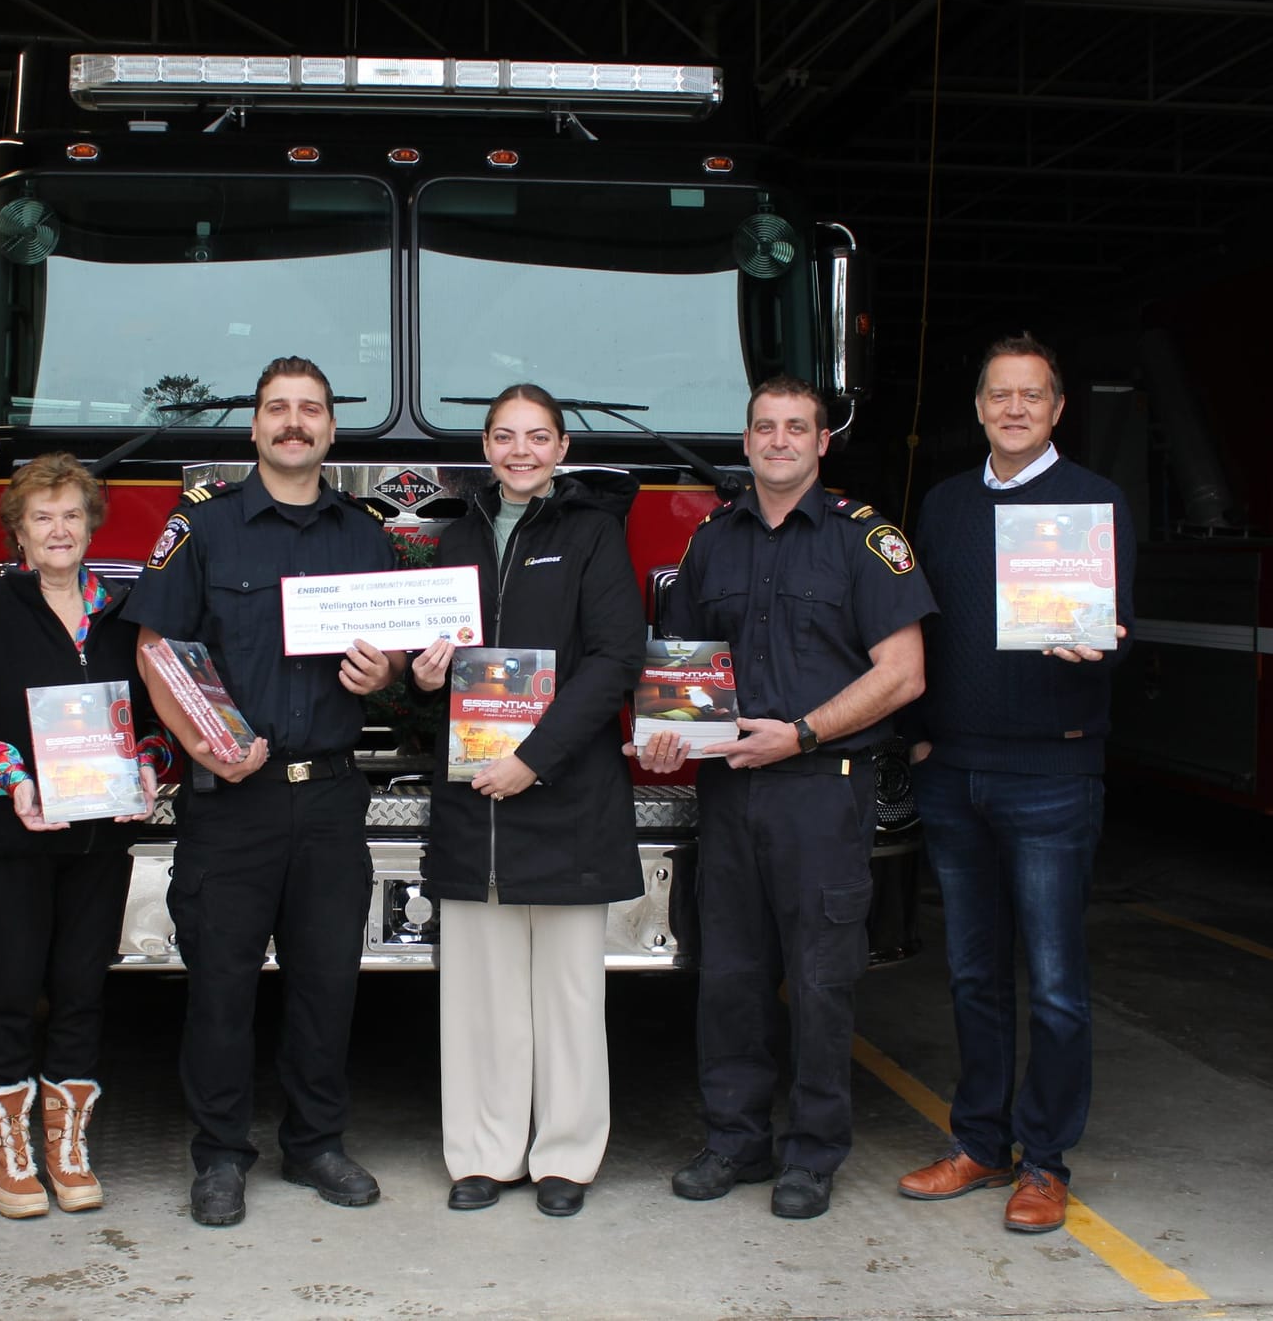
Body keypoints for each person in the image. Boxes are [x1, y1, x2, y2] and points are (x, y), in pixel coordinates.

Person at [638, 374, 935, 1220]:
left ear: (821, 442)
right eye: (764, 428)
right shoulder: (713, 542)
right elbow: (681, 671)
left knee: (819, 982)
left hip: (821, 788)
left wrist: (800, 733)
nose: (779, 441)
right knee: (727, 976)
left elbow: (904, 674)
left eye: (795, 427)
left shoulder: (862, 540)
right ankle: (734, 1141)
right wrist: (667, 732)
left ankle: (812, 1154)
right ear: (745, 441)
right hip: (729, 794)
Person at [125, 356, 405, 1228]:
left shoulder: (364, 536)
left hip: (328, 796)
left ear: (330, 430)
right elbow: (153, 651)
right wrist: (204, 738)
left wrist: (384, 671)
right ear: (254, 428)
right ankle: (219, 1157)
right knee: (221, 988)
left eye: (310, 410)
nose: (294, 423)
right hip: (232, 800)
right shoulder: (200, 527)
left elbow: (397, 662)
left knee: (327, 983)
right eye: (278, 410)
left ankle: (316, 1143)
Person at [895, 334, 1133, 1233]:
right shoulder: (947, 505)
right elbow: (922, 628)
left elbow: (1121, 625)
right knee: (974, 978)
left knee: (1058, 985)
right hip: (954, 774)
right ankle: (981, 1146)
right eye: (1001, 395)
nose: (1015, 409)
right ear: (982, 408)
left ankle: (1047, 1161)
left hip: (1050, 775)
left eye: (1033, 396)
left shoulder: (1095, 503)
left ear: (1058, 408)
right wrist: (918, 738)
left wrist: (1105, 639)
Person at [409, 385, 644, 1218]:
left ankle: (567, 1160)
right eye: (505, 437)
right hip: (476, 802)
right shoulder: (457, 537)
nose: (520, 452)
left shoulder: (592, 535)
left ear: (562, 451)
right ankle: (482, 1154)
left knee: (571, 997)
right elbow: (434, 668)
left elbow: (615, 660)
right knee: (479, 995)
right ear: (484, 446)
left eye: (537, 438)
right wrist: (425, 676)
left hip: (565, 796)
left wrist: (533, 760)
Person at [0, 454, 172, 1219]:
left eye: (71, 515)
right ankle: (10, 1156)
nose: (58, 530)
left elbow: (163, 722)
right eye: (42, 517)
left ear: (91, 524)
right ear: (18, 532)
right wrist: (14, 779)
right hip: (12, 838)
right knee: (5, 996)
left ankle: (68, 1148)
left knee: (81, 995)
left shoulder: (128, 616)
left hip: (99, 843)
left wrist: (152, 770)